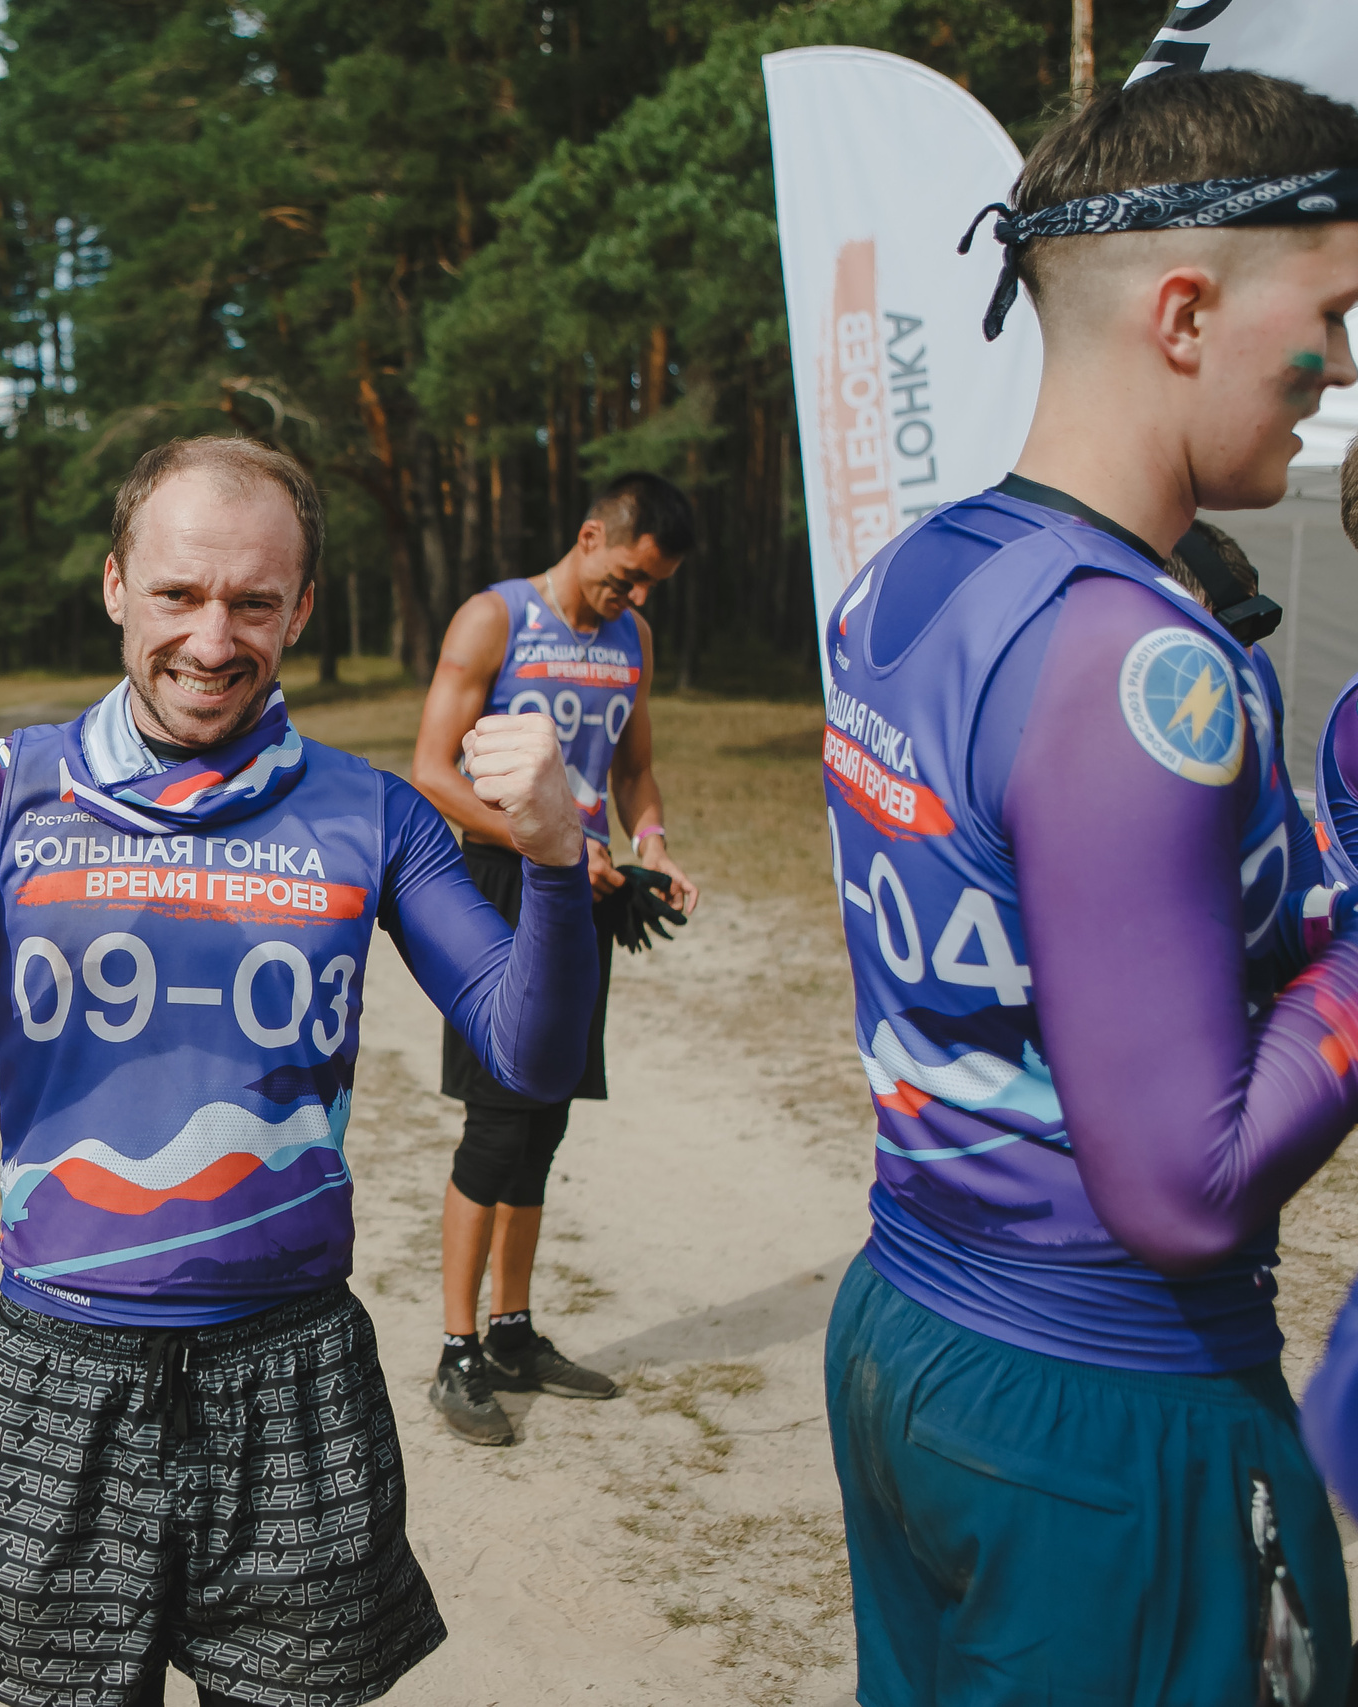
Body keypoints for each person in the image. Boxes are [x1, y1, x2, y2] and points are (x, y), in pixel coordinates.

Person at [0, 436, 600, 1707]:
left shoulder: (372, 813)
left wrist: (556, 864)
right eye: (178, 595)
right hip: (60, 1368)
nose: (212, 640)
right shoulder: (12, 790)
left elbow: (528, 1051)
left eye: (253, 602)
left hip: (292, 1375)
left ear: (302, 609)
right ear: (116, 584)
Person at [829, 69, 1358, 1704]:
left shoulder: (915, 571)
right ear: (1186, 314)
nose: (1338, 368)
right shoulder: (1147, 668)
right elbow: (1182, 1190)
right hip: (1110, 1405)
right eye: (1332, 315)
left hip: (912, 1328)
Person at [406, 472, 699, 1443]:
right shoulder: (494, 620)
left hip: (585, 896)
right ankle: (455, 1351)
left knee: (544, 1125)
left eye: (649, 586)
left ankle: (512, 1329)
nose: (635, 599)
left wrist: (649, 841)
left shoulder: (632, 641)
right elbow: (432, 770)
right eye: (626, 577)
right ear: (586, 537)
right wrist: (548, 842)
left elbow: (631, 767)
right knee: (493, 1129)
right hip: (496, 892)